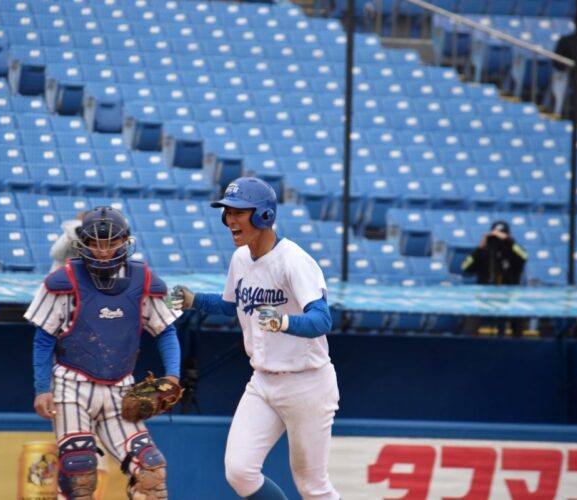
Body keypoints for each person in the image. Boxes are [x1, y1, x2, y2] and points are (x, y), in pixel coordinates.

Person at [172, 177, 341, 500]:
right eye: (227, 213)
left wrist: (283, 321)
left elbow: (322, 320)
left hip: (307, 382)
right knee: (239, 472)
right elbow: (230, 304)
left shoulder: (294, 260)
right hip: (263, 382)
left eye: (238, 211)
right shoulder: (241, 259)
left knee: (312, 487)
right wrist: (194, 300)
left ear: (264, 215)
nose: (230, 220)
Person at [23, 206, 182, 500]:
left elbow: (167, 331)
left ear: (126, 240)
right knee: (79, 471)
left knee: (151, 470)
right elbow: (43, 338)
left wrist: (172, 376)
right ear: (84, 242)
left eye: (112, 241)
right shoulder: (65, 279)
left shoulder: (143, 279)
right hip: (71, 384)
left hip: (120, 388)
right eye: (96, 242)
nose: (104, 250)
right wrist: (42, 388)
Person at [461, 220, 529, 337]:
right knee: (472, 313)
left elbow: (524, 256)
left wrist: (508, 241)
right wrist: (480, 248)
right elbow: (465, 267)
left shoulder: (514, 252)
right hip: (484, 296)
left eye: (501, 235)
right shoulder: (483, 252)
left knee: (518, 313)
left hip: (509, 295)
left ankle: (518, 343)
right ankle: (469, 341)